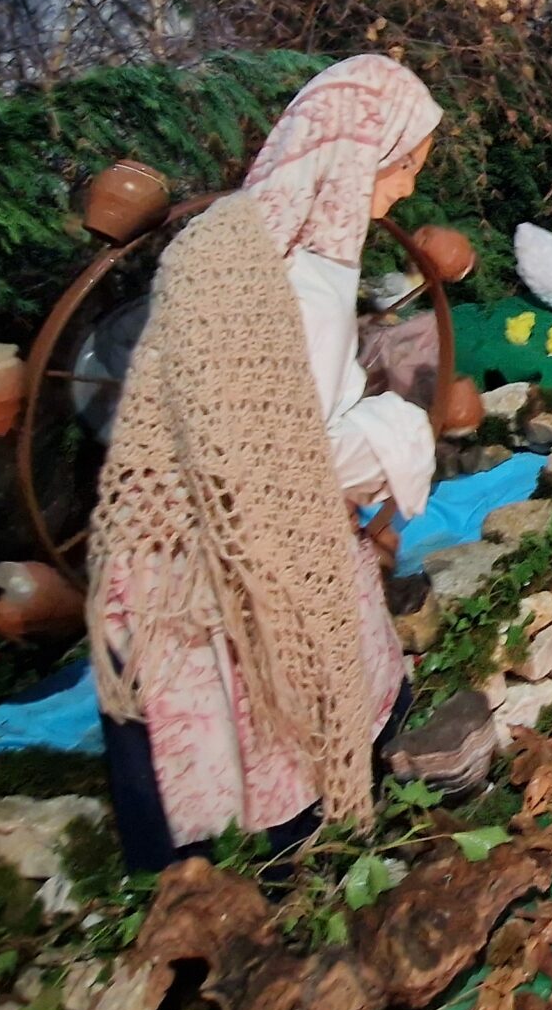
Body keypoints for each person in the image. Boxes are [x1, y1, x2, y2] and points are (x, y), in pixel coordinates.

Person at [88, 56, 439, 870]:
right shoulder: (302, 279)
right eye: (403, 165)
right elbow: (293, 457)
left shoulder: (227, 236)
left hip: (176, 539)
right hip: (232, 552)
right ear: (353, 157)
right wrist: (402, 430)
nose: (408, 188)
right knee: (280, 699)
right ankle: (277, 845)